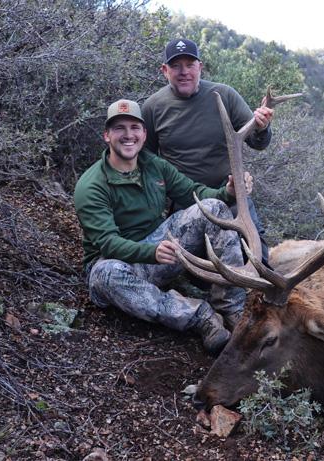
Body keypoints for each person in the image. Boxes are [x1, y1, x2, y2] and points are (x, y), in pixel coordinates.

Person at [74, 99, 250, 354]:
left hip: (158, 250)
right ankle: (200, 316)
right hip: (117, 261)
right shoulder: (91, 186)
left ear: (144, 134)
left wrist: (228, 192)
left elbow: (193, 193)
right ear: (106, 135)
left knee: (213, 208)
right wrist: (151, 252)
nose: (128, 135)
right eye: (119, 128)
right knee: (105, 276)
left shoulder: (154, 165)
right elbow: (108, 243)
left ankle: (232, 309)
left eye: (134, 128)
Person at [141, 38, 274, 264]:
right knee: (194, 271)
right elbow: (146, 161)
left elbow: (258, 143)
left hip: (231, 196)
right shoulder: (153, 107)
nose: (184, 72)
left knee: (257, 262)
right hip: (186, 203)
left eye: (190, 64)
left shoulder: (225, 96)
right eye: (175, 66)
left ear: (200, 67)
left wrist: (262, 126)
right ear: (165, 70)